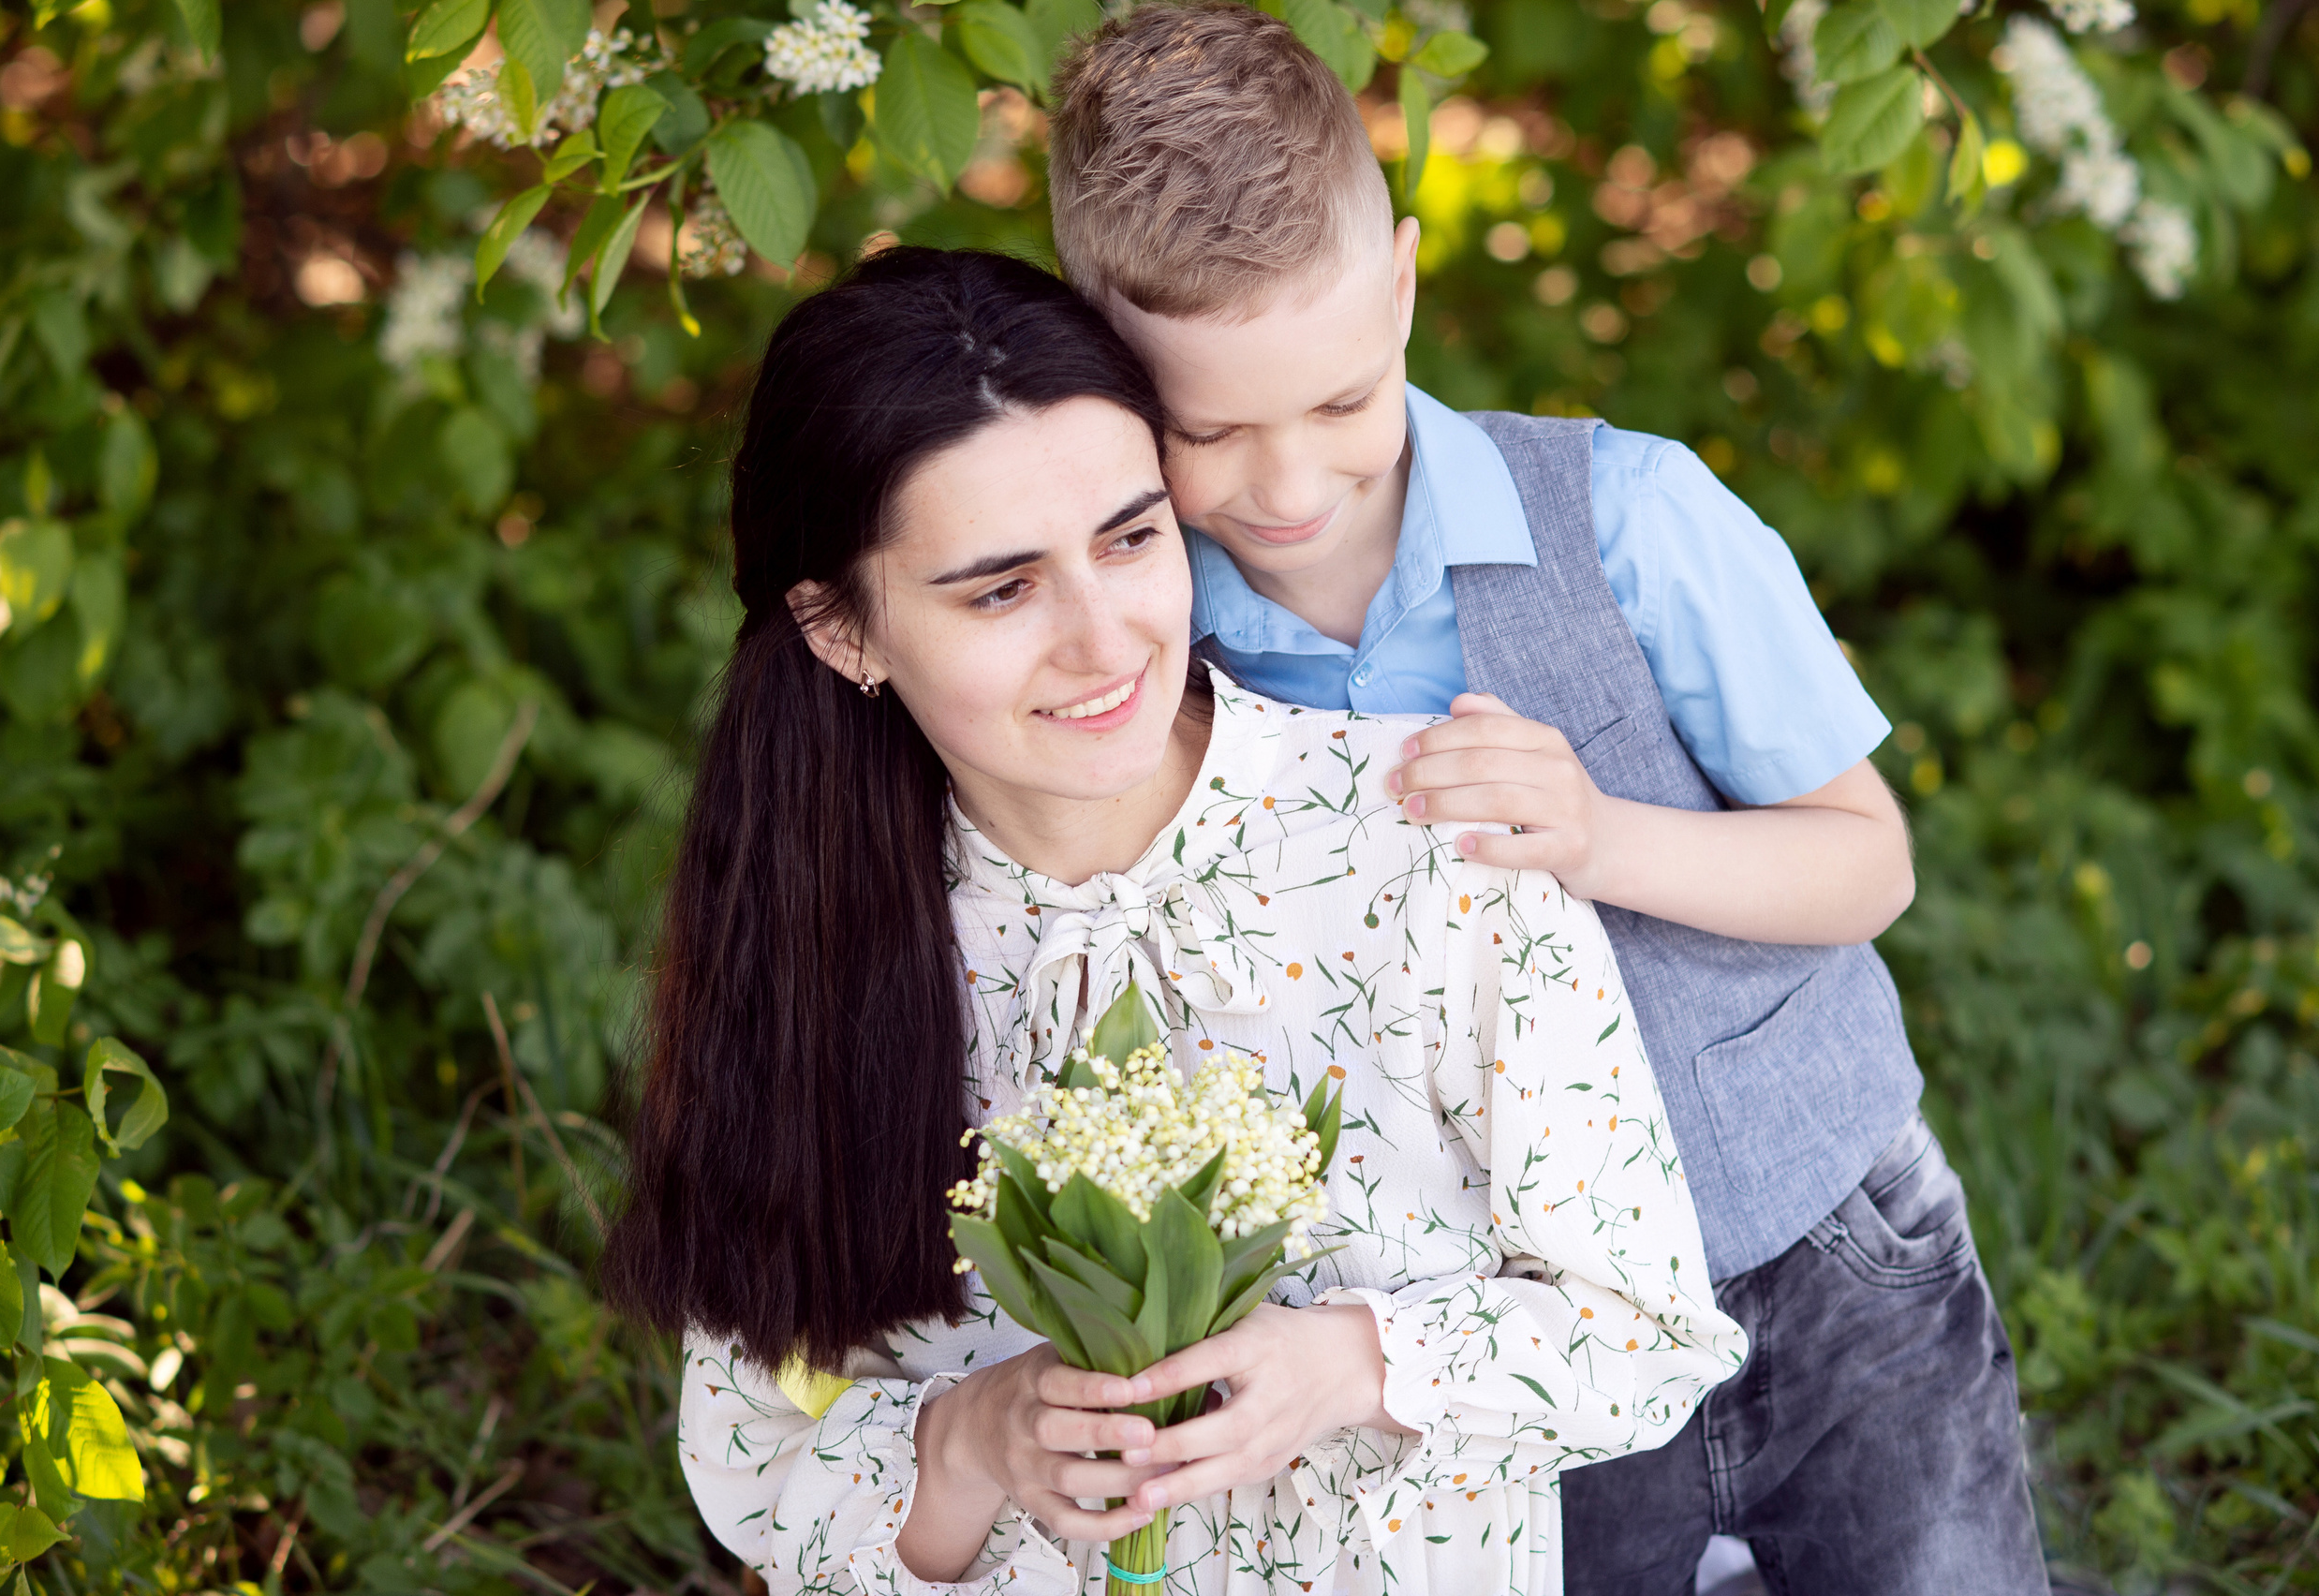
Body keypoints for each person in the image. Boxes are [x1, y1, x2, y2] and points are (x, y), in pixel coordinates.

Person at [1043, 9, 2047, 1595]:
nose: (1288, 489)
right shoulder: (1156, 656)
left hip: (1821, 1247)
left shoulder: (1631, 522)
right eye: (1209, 431)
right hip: (1503, 1320)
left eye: (1338, 403)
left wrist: (1603, 837)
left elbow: (1868, 868)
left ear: (1404, 288)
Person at [602, 246, 1743, 1595]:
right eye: (1001, 588)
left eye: (1131, 539)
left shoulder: (1424, 843)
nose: (1106, 639)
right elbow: (753, 1481)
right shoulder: (809, 943)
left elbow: (1651, 1338)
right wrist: (969, 1442)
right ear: (844, 630)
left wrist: (1354, 1366)